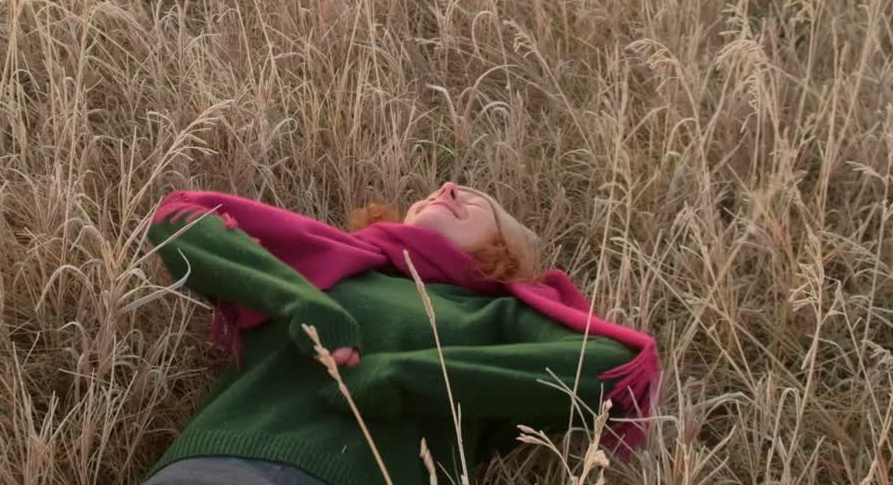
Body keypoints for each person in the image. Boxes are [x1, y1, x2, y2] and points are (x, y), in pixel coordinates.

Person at [140, 183, 659, 485]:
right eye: (438, 190)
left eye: (476, 202)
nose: (449, 189)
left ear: (507, 250)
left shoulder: (500, 315)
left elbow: (616, 364)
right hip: (221, 467)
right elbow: (182, 216)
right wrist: (300, 299)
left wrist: (413, 374)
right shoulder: (332, 264)